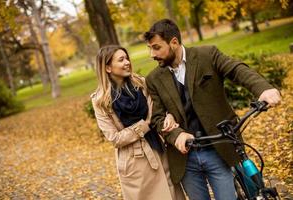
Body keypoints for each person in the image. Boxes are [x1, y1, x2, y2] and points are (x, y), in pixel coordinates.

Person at [143, 19, 281, 200]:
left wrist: (263, 89)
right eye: (150, 48)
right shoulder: (153, 79)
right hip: (186, 159)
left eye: (156, 47)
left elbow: (236, 69)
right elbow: (158, 118)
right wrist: (177, 135)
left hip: (218, 149)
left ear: (174, 42)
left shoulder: (207, 55)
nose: (152, 54)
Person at [91, 45, 185, 200]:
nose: (127, 62)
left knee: (173, 194)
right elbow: (115, 139)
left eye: (127, 58)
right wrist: (145, 125)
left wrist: (169, 115)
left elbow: (159, 110)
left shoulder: (141, 84)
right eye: (121, 60)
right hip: (134, 162)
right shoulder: (101, 101)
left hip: (159, 149)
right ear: (108, 68)